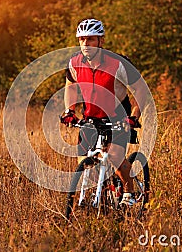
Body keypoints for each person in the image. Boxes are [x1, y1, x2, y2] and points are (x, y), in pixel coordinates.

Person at [60, 18, 148, 206]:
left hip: (118, 118)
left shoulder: (118, 63)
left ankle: (129, 193)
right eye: (82, 39)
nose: (85, 44)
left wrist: (134, 116)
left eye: (90, 39)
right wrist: (69, 111)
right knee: (85, 162)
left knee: (115, 157)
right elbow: (70, 87)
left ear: (101, 41)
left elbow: (141, 90)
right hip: (91, 118)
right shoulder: (75, 62)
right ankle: (101, 195)